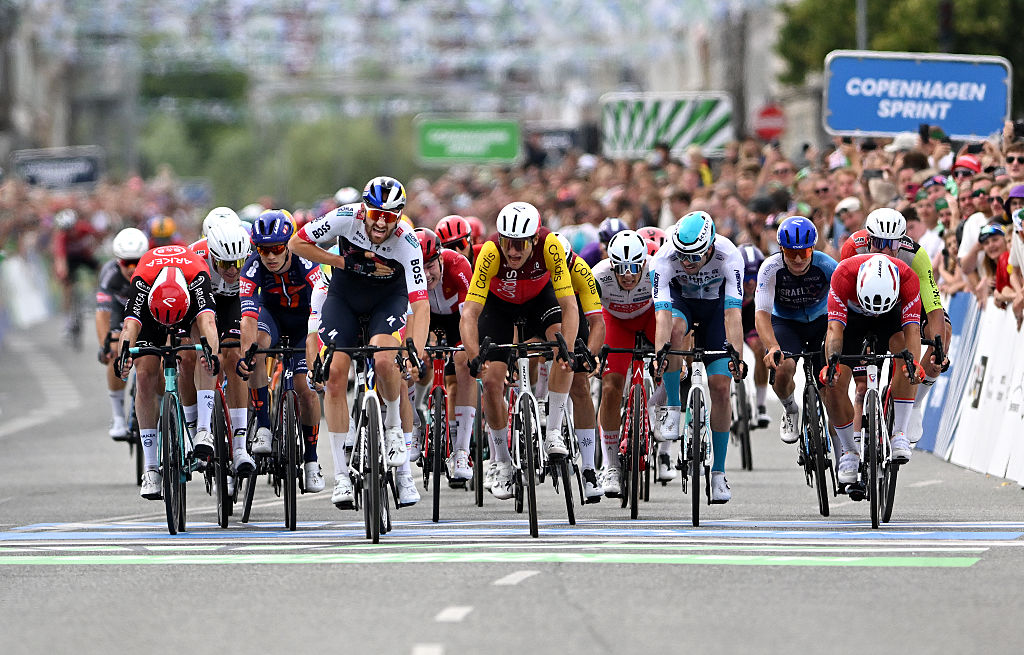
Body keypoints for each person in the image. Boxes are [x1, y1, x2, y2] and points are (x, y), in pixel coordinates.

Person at [289, 177, 430, 508]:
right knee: (335, 375)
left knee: (386, 360)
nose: (381, 222)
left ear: (399, 217)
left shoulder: (407, 241)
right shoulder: (345, 217)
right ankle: (341, 476)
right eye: (376, 213)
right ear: (364, 209)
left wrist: (417, 353)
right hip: (345, 298)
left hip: (387, 301)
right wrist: (344, 262)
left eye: (390, 216)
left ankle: (397, 442)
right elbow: (297, 244)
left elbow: (420, 304)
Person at [459, 201, 578, 500]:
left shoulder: (550, 246)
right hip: (499, 308)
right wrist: (474, 355)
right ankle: (500, 459)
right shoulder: (489, 251)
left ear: (534, 239)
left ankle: (552, 432)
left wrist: (569, 349)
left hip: (540, 301)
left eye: (520, 246)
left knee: (561, 346)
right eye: (507, 244)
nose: (512, 252)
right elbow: (470, 313)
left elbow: (569, 306)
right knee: (490, 381)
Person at [650, 211, 747, 504]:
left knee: (720, 386)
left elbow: (733, 314)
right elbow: (662, 316)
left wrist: (737, 357)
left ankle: (718, 473)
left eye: (694, 256)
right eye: (682, 256)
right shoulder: (664, 259)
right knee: (674, 333)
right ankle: (674, 408)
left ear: (710, 246)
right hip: (682, 307)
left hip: (717, 312)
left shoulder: (730, 256)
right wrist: (660, 354)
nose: (687, 263)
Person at [114, 244, 221, 500]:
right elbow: (129, 328)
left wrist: (212, 356)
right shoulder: (141, 280)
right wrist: (123, 358)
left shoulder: (197, 275)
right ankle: (150, 468)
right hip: (153, 314)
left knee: (198, 354)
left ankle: (203, 428)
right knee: (144, 375)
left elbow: (208, 323)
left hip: (188, 311)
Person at [235, 210, 328, 494]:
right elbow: (248, 318)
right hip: (271, 319)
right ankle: (263, 425)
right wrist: (246, 355)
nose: (270, 256)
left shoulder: (307, 259)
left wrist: (317, 357)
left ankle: (311, 461)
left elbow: (322, 307)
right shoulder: (251, 267)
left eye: (276, 248)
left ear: (288, 244)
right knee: (258, 346)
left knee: (306, 389)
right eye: (263, 249)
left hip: (306, 323)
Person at [840, 208, 950, 445]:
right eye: (879, 243)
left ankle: (914, 403)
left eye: (893, 244)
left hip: (905, 300)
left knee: (943, 335)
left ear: (902, 241)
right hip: (865, 302)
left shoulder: (915, 255)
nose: (886, 251)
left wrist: (938, 347)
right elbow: (844, 294)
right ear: (868, 239)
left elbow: (932, 306)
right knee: (861, 385)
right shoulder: (852, 248)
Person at [823, 254, 923, 483]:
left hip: (891, 318)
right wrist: (832, 364)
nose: (874, 312)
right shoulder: (843, 275)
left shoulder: (908, 277)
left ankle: (899, 433)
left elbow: (913, 331)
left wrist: (914, 364)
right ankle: (849, 450)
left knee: (907, 360)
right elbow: (834, 330)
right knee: (834, 382)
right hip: (853, 320)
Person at [755, 216, 844, 445]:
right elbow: (762, 314)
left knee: (830, 389)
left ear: (812, 249)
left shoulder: (827, 266)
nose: (796, 259)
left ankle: (843, 456)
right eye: (790, 252)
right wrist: (773, 346)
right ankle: (790, 409)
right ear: (781, 249)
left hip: (821, 321)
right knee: (783, 367)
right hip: (786, 322)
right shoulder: (770, 268)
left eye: (803, 253)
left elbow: (843, 307)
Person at [593, 230, 661, 494]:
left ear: (644, 262)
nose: (629, 275)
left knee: (671, 366)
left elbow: (672, 312)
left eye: (634, 267)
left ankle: (662, 426)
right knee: (610, 387)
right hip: (615, 322)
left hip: (651, 316)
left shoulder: (656, 269)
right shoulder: (598, 275)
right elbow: (593, 319)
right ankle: (610, 466)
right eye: (621, 268)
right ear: (611, 264)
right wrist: (595, 354)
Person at [187, 220, 255, 476]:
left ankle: (239, 447)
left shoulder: (250, 257)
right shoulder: (195, 256)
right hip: (203, 299)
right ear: (212, 255)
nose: (233, 270)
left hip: (235, 302)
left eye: (239, 263)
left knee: (235, 357)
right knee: (198, 354)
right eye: (226, 264)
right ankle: (200, 430)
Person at [413, 227, 475, 483]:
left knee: (464, 362)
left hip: (457, 319)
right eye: (420, 267)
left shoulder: (458, 264)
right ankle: (415, 422)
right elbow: (411, 317)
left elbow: (468, 316)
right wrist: (421, 345)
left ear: (440, 257)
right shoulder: (406, 269)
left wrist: (469, 351)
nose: (427, 274)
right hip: (425, 317)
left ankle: (461, 450)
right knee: (410, 359)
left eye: (431, 265)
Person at [554, 233, 606, 501]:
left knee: (580, 386)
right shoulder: (536, 269)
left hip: (574, 316)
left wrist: (591, 355)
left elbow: (597, 322)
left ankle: (588, 468)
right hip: (543, 313)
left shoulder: (580, 268)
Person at [95, 228, 149, 440]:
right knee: (116, 350)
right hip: (120, 313)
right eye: (127, 263)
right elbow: (102, 313)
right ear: (118, 261)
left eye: (137, 262)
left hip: (146, 313)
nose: (132, 268)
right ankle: (117, 415)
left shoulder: (153, 269)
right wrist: (105, 345)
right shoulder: (110, 273)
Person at [52, 208, 101, 339]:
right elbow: (60, 258)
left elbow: (98, 235)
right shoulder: (61, 237)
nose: (70, 232)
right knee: (67, 286)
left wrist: (94, 246)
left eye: (72, 229)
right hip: (70, 259)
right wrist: (62, 272)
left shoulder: (84, 228)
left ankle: (94, 295)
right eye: (67, 230)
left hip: (84, 255)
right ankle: (67, 321)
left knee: (102, 271)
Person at [738, 244, 770, 426]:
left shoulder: (766, 280)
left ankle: (760, 405)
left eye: (755, 276)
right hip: (729, 316)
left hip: (750, 317)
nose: (751, 282)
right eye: (746, 277)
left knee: (761, 349)